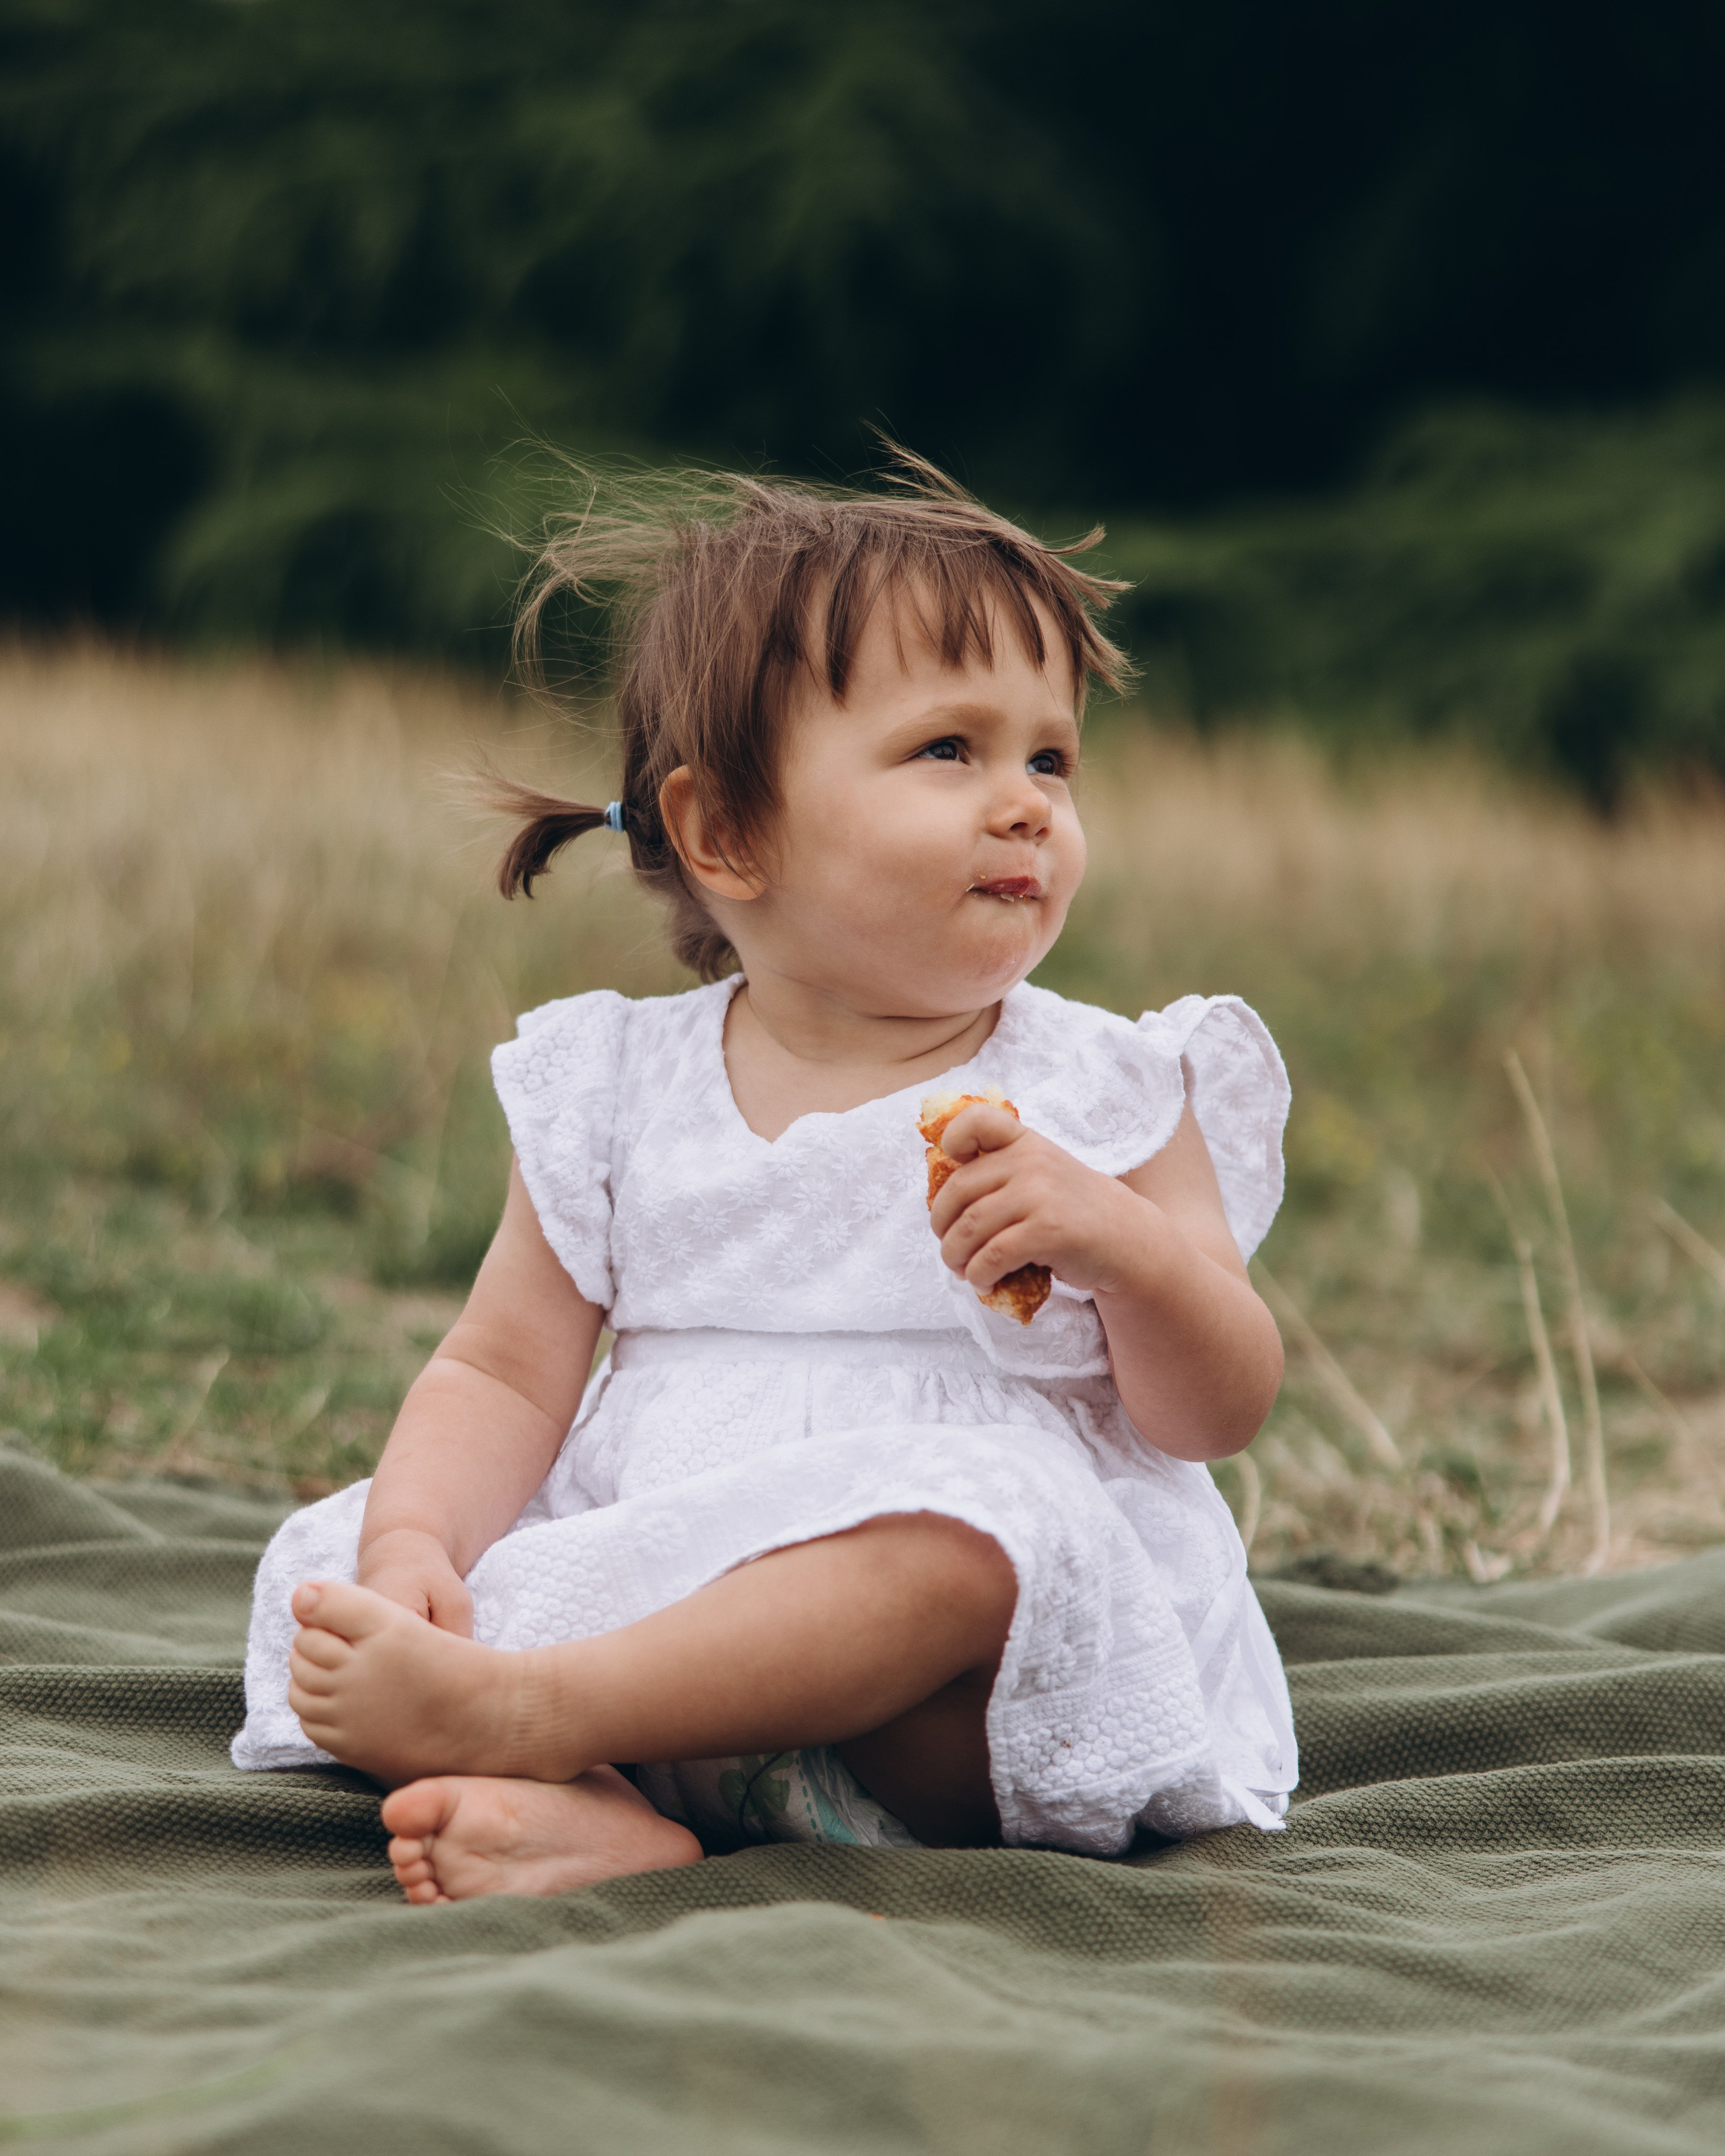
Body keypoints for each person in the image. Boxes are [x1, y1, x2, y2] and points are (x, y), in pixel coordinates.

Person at [230, 454, 1298, 1903]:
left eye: (1050, 759)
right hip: (671, 1612)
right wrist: (414, 1539)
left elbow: (1216, 1410)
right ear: (725, 831)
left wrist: (1127, 1250)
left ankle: (539, 1722)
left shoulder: (1108, 1090)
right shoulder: (618, 1087)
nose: (1026, 805)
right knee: (345, 1600)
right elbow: (501, 1369)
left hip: (944, 1716)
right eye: (949, 750)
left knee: (978, 1535)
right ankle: (615, 1808)